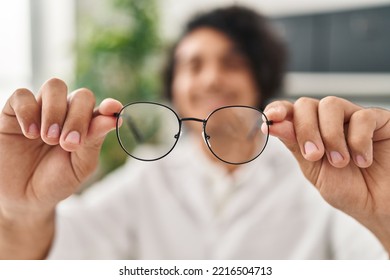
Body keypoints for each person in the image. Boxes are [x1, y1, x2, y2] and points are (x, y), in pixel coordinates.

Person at [0, 6, 389, 259]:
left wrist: (385, 213)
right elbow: (56, 254)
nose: (211, 78)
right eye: (193, 65)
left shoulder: (323, 174)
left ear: (260, 78)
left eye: (231, 63)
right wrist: (22, 212)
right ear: (175, 86)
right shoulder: (145, 179)